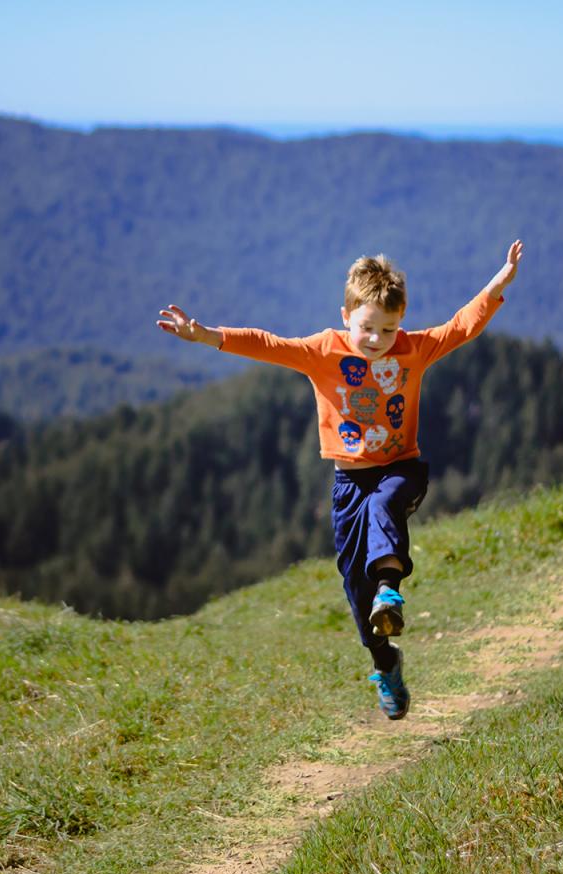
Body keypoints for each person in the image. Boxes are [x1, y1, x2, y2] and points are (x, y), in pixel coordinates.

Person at [156, 240, 523, 719]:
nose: (376, 339)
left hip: (399, 470)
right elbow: (269, 344)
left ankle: (390, 587)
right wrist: (207, 335)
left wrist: (496, 287)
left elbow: (460, 327)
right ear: (346, 314)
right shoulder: (323, 352)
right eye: (367, 328)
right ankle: (385, 662)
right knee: (354, 586)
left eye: (388, 329)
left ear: (402, 318)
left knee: (383, 508)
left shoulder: (413, 350)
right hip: (348, 483)